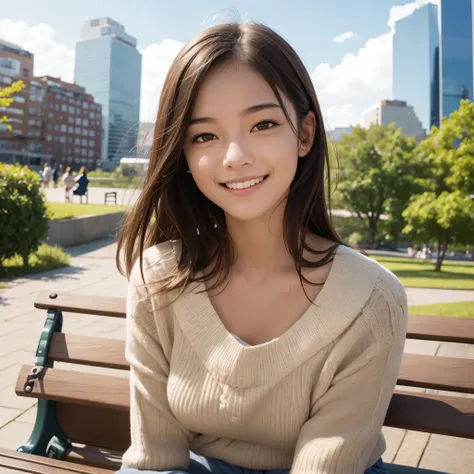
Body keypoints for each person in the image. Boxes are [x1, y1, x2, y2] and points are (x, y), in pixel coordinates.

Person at [115, 21, 408, 474]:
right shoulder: (158, 278)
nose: (235, 156)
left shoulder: (372, 299)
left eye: (264, 123)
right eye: (204, 135)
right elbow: (156, 462)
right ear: (184, 155)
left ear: (305, 134)